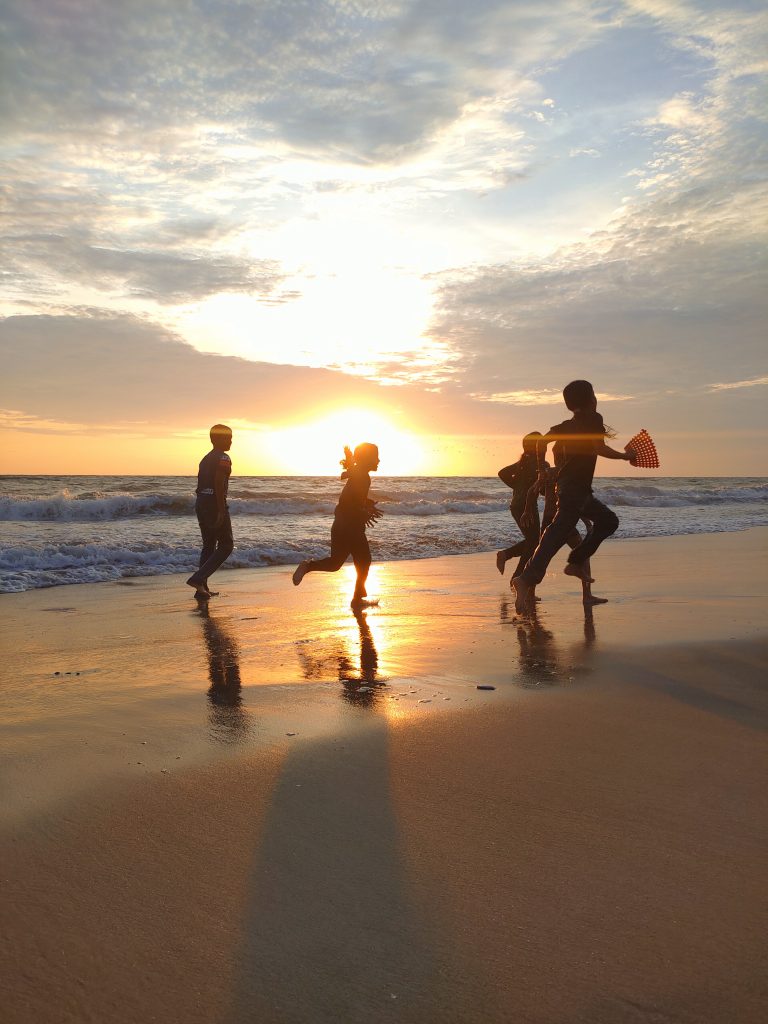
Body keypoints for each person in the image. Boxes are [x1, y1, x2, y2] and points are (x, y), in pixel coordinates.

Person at [513, 380, 636, 614]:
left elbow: (541, 443)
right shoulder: (594, 418)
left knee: (580, 526)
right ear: (591, 399)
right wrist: (624, 455)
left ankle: (568, 564)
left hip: (569, 490)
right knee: (571, 529)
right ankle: (531, 576)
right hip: (576, 490)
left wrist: (541, 468)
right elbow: (598, 448)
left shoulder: (564, 426)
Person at [292, 443, 383, 607]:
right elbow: (350, 501)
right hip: (350, 527)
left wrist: (366, 505)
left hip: (343, 526)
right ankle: (357, 598)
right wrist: (363, 511)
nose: (379, 460)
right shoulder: (362, 477)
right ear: (367, 459)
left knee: (338, 563)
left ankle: (308, 566)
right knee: (362, 560)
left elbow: (353, 497)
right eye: (376, 457)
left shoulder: (360, 474)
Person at [538, 441, 608, 607]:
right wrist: (587, 522)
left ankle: (527, 592)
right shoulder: (569, 473)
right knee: (583, 555)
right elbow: (573, 501)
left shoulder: (549, 472)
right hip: (563, 521)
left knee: (540, 558)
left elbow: (540, 491)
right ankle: (587, 596)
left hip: (547, 519)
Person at [186, 424, 234, 600]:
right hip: (214, 503)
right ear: (219, 439)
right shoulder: (224, 458)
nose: (231, 441)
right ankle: (198, 579)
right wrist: (221, 509)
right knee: (226, 545)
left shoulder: (205, 459)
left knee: (208, 545)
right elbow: (219, 483)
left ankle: (201, 589)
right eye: (228, 438)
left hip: (201, 502)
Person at [495, 432, 546, 582]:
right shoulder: (540, 464)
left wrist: (517, 487)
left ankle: (512, 566)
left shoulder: (522, 463)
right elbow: (541, 490)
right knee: (534, 542)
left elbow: (502, 473)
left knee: (533, 540)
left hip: (516, 505)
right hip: (527, 507)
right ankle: (517, 577)